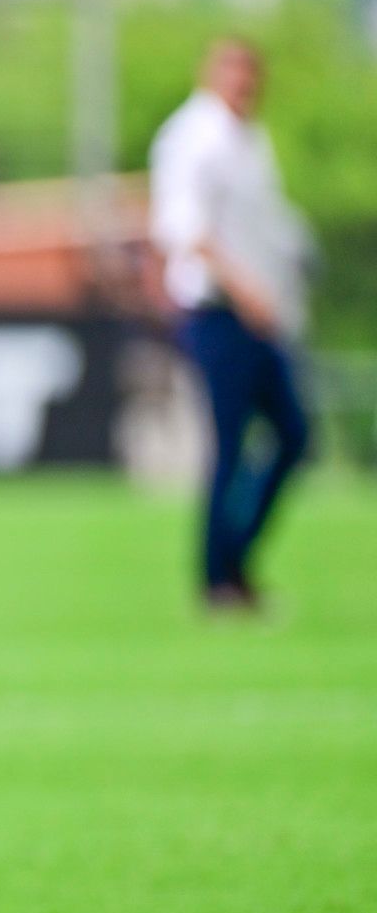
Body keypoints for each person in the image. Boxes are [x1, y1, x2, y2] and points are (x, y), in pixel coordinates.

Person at [149, 38, 313, 611]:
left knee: (293, 436)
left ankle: (235, 560)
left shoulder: (250, 140)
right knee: (231, 445)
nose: (243, 85)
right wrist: (246, 291)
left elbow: (267, 225)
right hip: (218, 311)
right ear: (211, 73)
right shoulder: (193, 137)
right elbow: (184, 229)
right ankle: (219, 580)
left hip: (261, 316)